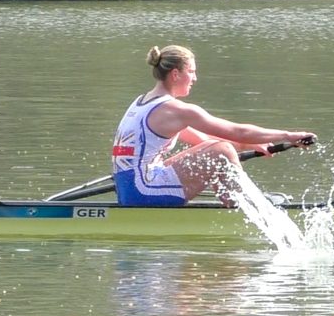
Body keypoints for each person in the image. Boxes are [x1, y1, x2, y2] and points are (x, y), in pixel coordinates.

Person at [112, 45, 316, 207]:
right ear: (175, 74)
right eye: (191, 72)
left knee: (218, 150)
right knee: (222, 151)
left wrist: (249, 145)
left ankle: (236, 201)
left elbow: (204, 141)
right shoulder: (176, 110)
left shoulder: (143, 102)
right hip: (144, 192)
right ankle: (245, 206)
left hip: (129, 189)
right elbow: (238, 132)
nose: (195, 78)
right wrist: (288, 135)